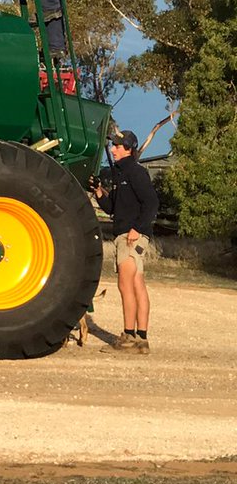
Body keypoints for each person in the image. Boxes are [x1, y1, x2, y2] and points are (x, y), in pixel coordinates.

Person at [90, 129, 159, 354]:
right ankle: (142, 340)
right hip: (128, 235)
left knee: (125, 284)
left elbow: (151, 203)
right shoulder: (120, 176)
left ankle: (129, 337)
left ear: (128, 149)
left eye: (117, 146)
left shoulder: (136, 173)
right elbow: (112, 208)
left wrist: (136, 229)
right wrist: (100, 192)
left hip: (131, 237)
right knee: (137, 284)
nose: (113, 149)